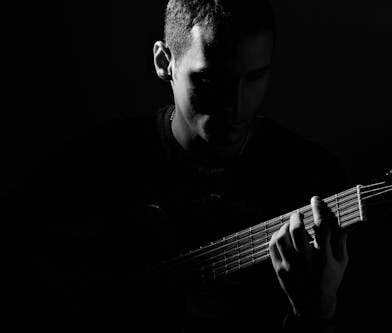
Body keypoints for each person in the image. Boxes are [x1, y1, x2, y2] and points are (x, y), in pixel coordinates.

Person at [18, 1, 349, 331]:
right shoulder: (94, 164)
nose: (235, 104)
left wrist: (315, 314)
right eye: (211, 80)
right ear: (165, 62)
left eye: (255, 77)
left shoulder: (311, 178)